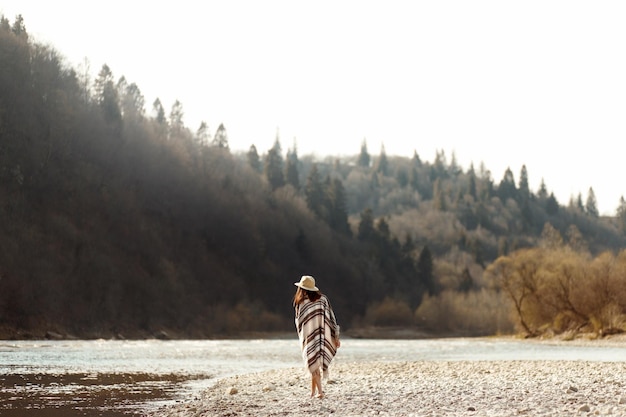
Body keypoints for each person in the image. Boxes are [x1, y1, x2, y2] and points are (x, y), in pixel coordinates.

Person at [292, 275, 341, 399]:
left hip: (308, 337)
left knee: (312, 362)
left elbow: (299, 321)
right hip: (323, 336)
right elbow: (332, 319)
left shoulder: (301, 302)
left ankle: (320, 392)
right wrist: (335, 336)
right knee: (314, 364)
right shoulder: (323, 299)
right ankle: (312, 392)